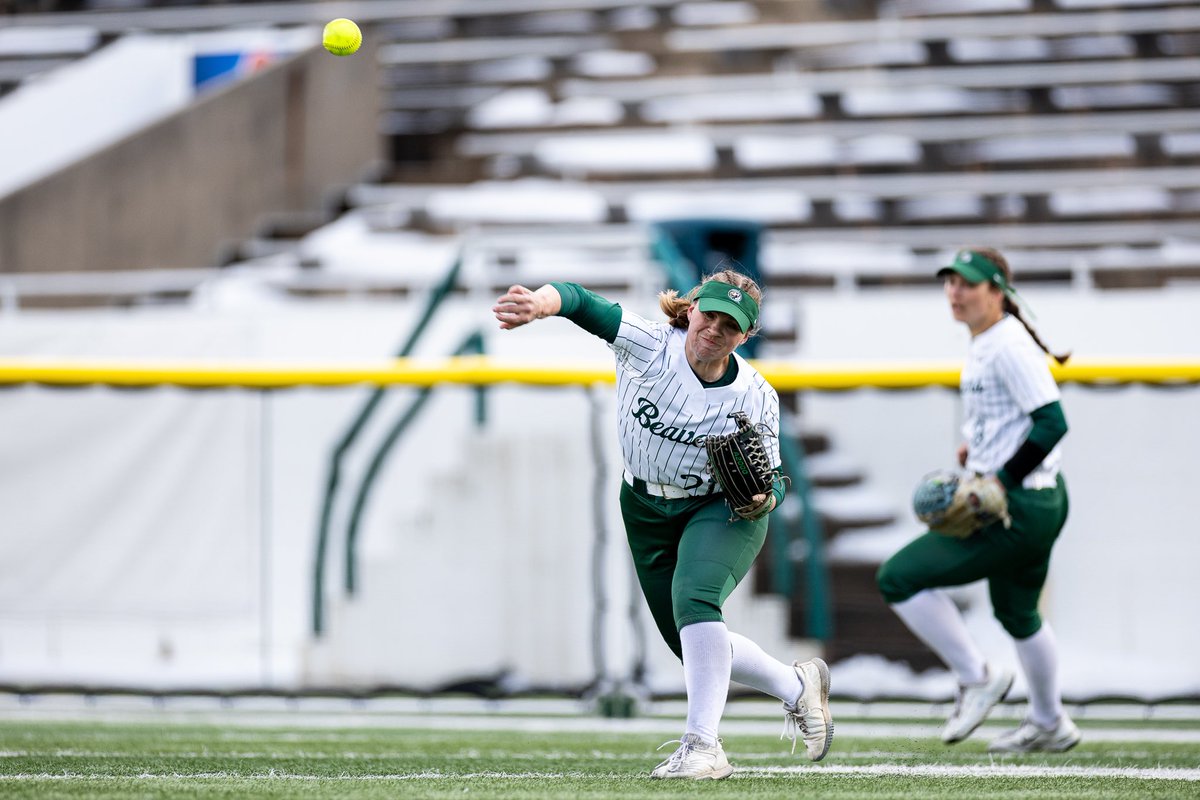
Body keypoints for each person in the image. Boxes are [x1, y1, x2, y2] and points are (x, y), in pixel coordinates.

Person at [493, 270, 833, 779]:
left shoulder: (756, 394)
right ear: (691, 308)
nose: (714, 329)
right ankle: (794, 686)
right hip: (645, 505)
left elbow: (776, 478)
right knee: (692, 643)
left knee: (695, 602)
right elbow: (580, 300)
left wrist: (765, 496)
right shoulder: (650, 344)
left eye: (730, 325)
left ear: (746, 335)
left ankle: (702, 746)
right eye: (709, 314)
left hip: (719, 509)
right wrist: (541, 304)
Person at [876, 247, 1079, 753]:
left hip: (1019, 507)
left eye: (967, 283)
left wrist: (1000, 480)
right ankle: (1050, 722)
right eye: (949, 282)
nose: (955, 291)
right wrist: (979, 448)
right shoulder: (988, 339)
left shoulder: (1007, 344)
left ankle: (975, 676)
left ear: (996, 290)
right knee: (1018, 613)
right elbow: (1009, 416)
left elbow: (1053, 423)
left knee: (898, 576)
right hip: (1039, 500)